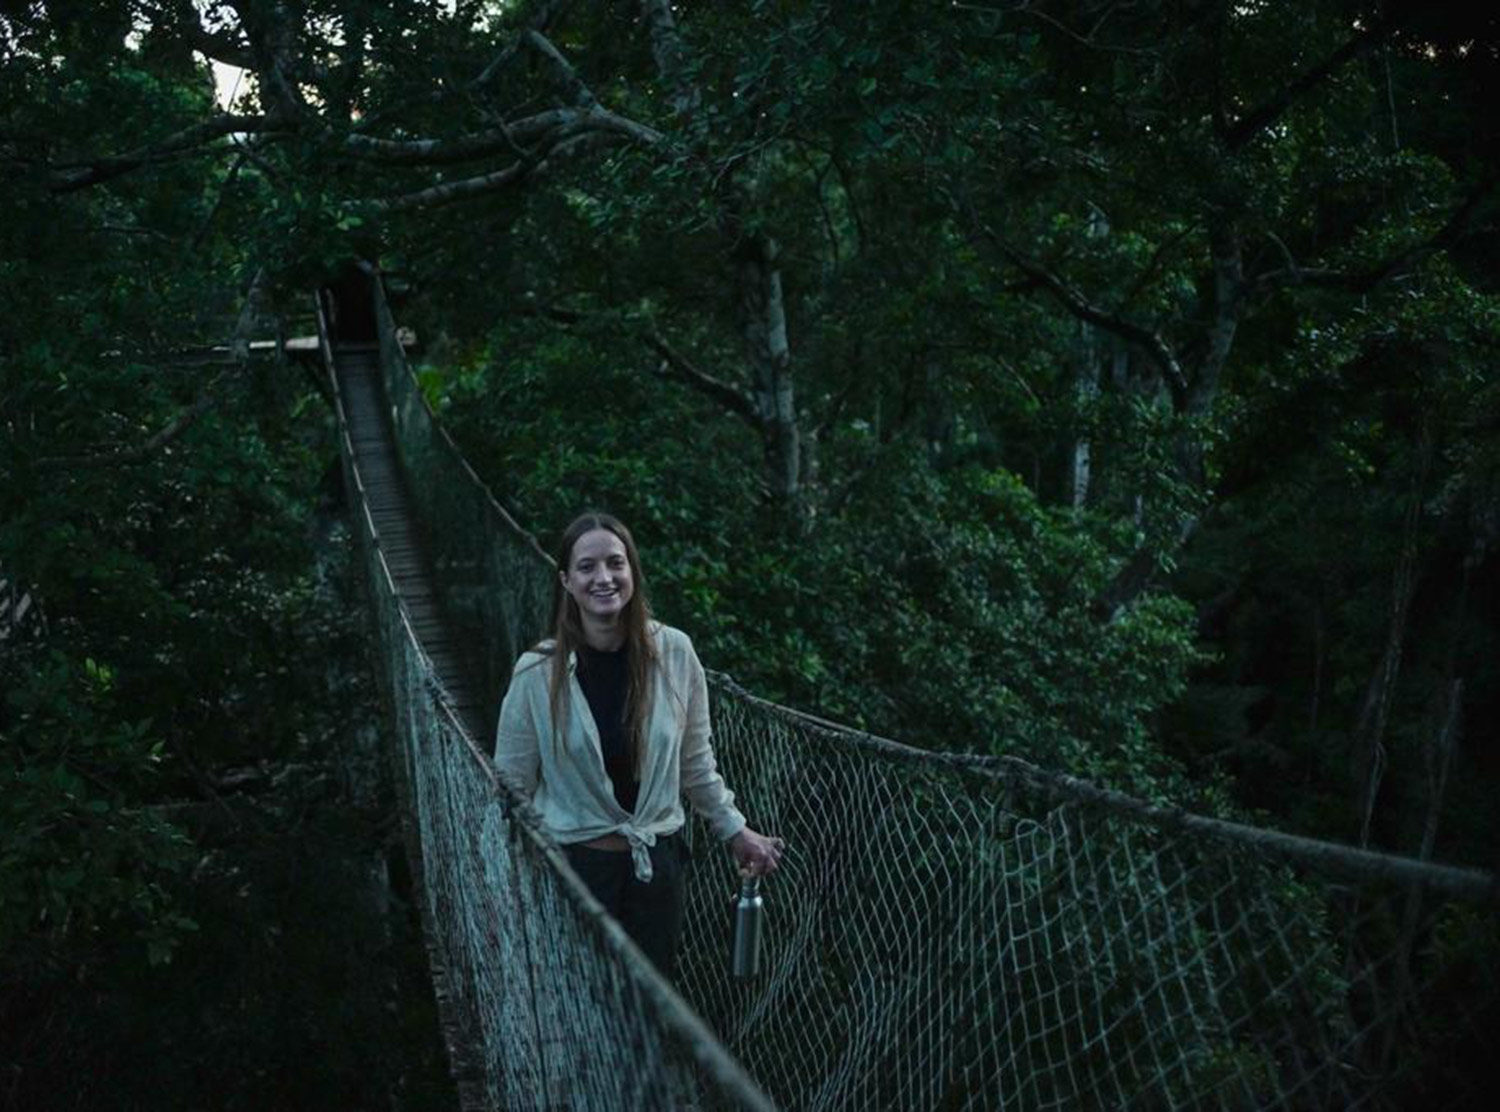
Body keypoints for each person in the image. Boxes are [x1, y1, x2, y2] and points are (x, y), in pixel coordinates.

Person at [494, 511, 783, 978]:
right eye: (587, 567)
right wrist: (505, 878)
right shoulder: (535, 673)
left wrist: (735, 830)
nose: (603, 577)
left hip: (657, 875)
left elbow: (695, 762)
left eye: (615, 563)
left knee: (650, 1016)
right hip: (573, 875)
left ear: (632, 572)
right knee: (583, 1010)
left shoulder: (675, 653)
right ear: (566, 581)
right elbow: (511, 786)